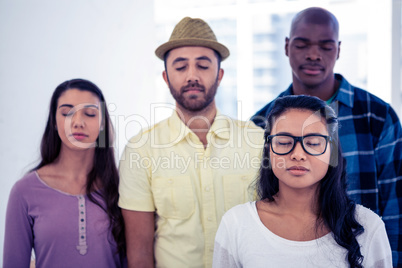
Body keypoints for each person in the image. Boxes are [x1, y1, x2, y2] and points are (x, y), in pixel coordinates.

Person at [251, 7, 402, 267]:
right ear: (287, 46)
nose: (313, 55)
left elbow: (395, 206)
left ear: (339, 50)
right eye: (302, 44)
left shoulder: (377, 116)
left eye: (326, 46)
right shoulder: (261, 124)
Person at [118, 17, 264, 267]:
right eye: (181, 66)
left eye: (203, 66)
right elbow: (140, 252)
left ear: (219, 75)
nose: (192, 75)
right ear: (165, 77)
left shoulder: (257, 141)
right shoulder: (140, 149)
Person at [214, 95, 392, 267]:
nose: (298, 155)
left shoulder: (367, 226)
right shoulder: (236, 224)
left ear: (332, 151)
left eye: (313, 143)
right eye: (283, 142)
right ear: (268, 150)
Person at [3, 79, 126, 267]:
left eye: (90, 114)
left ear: (102, 124)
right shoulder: (24, 191)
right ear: (54, 120)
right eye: (67, 113)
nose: (78, 122)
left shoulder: (122, 187)